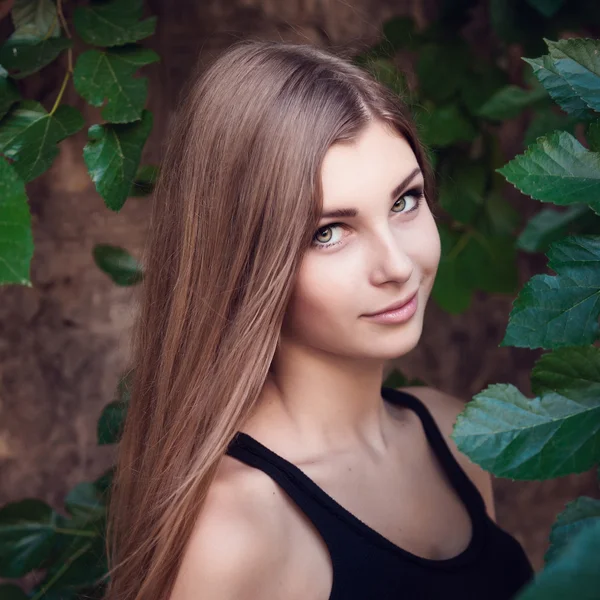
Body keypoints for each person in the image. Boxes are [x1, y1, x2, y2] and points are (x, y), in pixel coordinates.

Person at [104, 39, 535, 600]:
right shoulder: (234, 534)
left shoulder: (458, 436)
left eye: (404, 201)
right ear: (242, 260)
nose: (398, 266)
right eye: (328, 232)